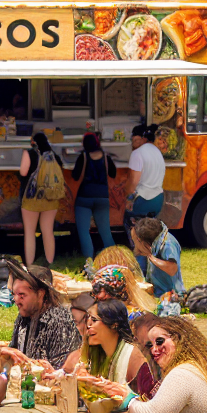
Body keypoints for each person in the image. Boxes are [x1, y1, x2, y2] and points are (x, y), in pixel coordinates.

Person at [7, 262, 81, 368]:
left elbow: (59, 369)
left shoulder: (58, 321)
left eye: (22, 295)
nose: (16, 300)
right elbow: (14, 350)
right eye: (14, 294)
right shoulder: (25, 315)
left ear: (41, 294)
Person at [63, 298, 144, 387]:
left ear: (114, 325)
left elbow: (145, 396)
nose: (88, 325)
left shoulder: (132, 356)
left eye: (94, 320)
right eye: (87, 319)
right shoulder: (94, 352)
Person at [19, 132, 65, 266]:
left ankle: (30, 264)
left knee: (29, 232)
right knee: (48, 231)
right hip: (50, 198)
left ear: (33, 142)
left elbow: (23, 172)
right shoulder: (54, 156)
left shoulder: (29, 154)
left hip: (32, 199)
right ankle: (50, 263)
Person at [125, 124, 166, 270]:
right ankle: (153, 265)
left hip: (143, 200)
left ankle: (140, 267)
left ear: (142, 138)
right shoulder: (157, 152)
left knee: (136, 233)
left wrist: (128, 199)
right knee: (151, 235)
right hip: (158, 200)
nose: (132, 141)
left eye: (134, 138)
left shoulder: (138, 153)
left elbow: (133, 181)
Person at [71, 133, 116, 260]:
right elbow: (113, 173)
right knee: (105, 232)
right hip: (102, 197)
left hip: (84, 198)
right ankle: (114, 261)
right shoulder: (106, 157)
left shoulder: (83, 157)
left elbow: (75, 175)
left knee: (84, 232)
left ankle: (89, 264)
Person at [131, 217, 185, 300]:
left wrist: (151, 257)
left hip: (170, 295)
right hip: (156, 291)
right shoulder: (153, 242)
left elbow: (172, 268)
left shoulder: (168, 244)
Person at [91, 264, 157, 314]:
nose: (98, 296)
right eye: (96, 291)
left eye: (104, 298)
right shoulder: (96, 313)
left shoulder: (133, 314)